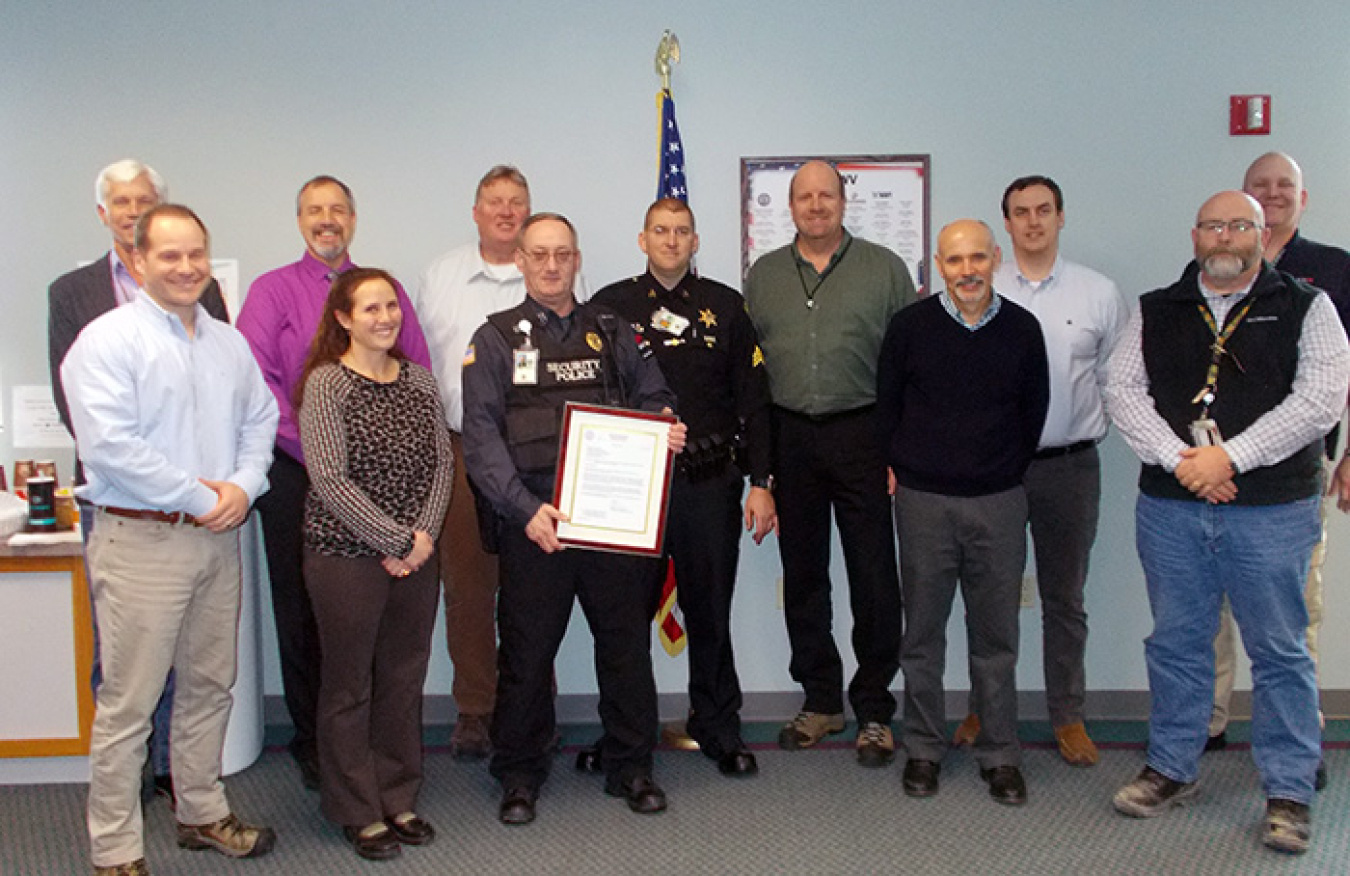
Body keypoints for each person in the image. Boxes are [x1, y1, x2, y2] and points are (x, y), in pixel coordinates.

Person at [1106, 190, 1350, 854]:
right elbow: (1121, 389)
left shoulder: (1308, 306)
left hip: (1273, 510)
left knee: (1280, 651)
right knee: (1178, 644)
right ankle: (1171, 769)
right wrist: (1180, 460)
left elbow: (1320, 401)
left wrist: (1228, 457)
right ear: (1195, 235)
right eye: (1213, 225)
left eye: (1239, 225)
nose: (1225, 237)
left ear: (1261, 232)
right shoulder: (1157, 309)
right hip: (1172, 507)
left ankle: (1290, 791)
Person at [62, 204, 280, 875]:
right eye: (169, 256)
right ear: (136, 261)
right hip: (143, 541)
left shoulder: (226, 342)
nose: (186, 268)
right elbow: (110, 448)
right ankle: (116, 849)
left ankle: (201, 812)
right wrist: (201, 497)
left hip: (219, 539)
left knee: (212, 686)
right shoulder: (106, 342)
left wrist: (242, 486)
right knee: (130, 702)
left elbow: (261, 417)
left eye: (196, 255)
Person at [462, 213, 686, 825]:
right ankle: (518, 772)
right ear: (522, 262)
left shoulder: (614, 330)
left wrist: (664, 425)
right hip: (536, 522)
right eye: (540, 254)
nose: (552, 265)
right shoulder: (496, 339)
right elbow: (480, 438)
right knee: (528, 655)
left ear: (577, 258)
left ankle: (631, 764)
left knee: (624, 646)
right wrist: (524, 508)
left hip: (611, 524)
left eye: (563, 253)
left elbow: (655, 395)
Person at [236, 175, 432, 789]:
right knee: (305, 613)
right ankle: (315, 743)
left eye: (338, 210)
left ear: (353, 218)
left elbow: (418, 368)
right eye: (316, 211)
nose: (328, 220)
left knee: (389, 619)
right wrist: (316, 444)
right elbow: (253, 380)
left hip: (390, 479)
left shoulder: (385, 290)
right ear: (300, 220)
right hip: (297, 472)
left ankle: (378, 743)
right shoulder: (271, 291)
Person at [47, 160, 230, 806]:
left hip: (207, 521)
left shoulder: (206, 305)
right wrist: (186, 487)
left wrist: (233, 484)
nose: (132, 209)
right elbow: (90, 425)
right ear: (112, 220)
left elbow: (236, 406)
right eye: (122, 202)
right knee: (127, 676)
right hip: (131, 516)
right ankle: (120, 831)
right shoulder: (81, 304)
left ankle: (186, 793)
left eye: (144, 200)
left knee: (206, 676)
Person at [592, 197, 776, 777]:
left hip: (708, 482)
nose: (671, 240)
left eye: (682, 232)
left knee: (710, 613)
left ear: (696, 242)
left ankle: (718, 727)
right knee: (624, 619)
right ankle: (626, 734)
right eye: (660, 231)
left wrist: (763, 481)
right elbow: (592, 398)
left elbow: (755, 399)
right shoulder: (609, 307)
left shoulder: (725, 306)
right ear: (642, 239)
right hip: (633, 486)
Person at [743, 160, 914, 765]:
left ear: (845, 202)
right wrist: (759, 474)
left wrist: (900, 449)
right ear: (789, 207)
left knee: (874, 576)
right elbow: (753, 380)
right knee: (804, 574)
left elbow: (906, 367)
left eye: (826, 195)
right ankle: (821, 699)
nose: (816, 206)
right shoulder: (761, 276)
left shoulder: (885, 270)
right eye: (804, 196)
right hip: (791, 436)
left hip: (864, 432)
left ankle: (873, 708)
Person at [951, 176, 1125, 767]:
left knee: (1064, 598)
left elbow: (1115, 381)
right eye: (1020, 212)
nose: (1032, 221)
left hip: (1068, 466)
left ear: (1060, 216)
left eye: (1043, 210)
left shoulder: (1097, 294)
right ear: (1006, 224)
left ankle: (1068, 716)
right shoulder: (974, 287)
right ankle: (984, 708)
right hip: (995, 469)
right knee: (986, 595)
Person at [878, 219, 1049, 806]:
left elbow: (1034, 413)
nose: (968, 270)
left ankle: (1000, 754)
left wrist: (997, 469)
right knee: (922, 636)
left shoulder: (1023, 330)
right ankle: (923, 748)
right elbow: (888, 407)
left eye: (978, 257)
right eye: (955, 261)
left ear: (995, 258)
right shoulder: (909, 328)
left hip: (1000, 503)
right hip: (924, 504)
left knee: (996, 638)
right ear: (938, 265)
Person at [297, 268, 454, 861]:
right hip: (345, 558)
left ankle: (396, 793)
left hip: (416, 554)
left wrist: (422, 538)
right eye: (371, 309)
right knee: (348, 684)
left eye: (391, 306)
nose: (385, 317)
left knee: (402, 677)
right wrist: (393, 540)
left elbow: (443, 464)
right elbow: (330, 480)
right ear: (343, 318)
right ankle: (355, 807)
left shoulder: (419, 380)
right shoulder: (327, 385)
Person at [1206, 153, 1350, 772]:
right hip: (1215, 478)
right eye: (1259, 188)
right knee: (1209, 610)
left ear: (1301, 197)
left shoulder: (1333, 273)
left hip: (1297, 475)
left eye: (1283, 187)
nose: (1273, 195)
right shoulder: (1211, 272)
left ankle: (1295, 736)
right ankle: (1206, 723)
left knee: (1291, 615)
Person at [411, 165, 529, 759]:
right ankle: (477, 709)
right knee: (468, 586)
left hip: (533, 456)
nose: (505, 212)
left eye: (516, 202)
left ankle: (532, 702)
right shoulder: (441, 276)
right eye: (494, 202)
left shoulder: (553, 270)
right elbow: (415, 365)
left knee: (534, 585)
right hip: (459, 450)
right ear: (476, 211)